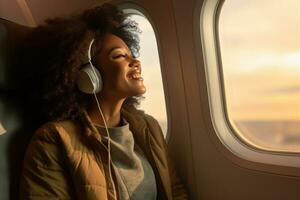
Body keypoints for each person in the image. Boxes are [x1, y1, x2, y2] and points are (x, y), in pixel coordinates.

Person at [20, 3, 188, 200]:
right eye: (119, 56)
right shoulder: (54, 140)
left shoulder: (149, 128)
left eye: (132, 55)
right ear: (89, 76)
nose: (136, 62)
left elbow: (176, 192)